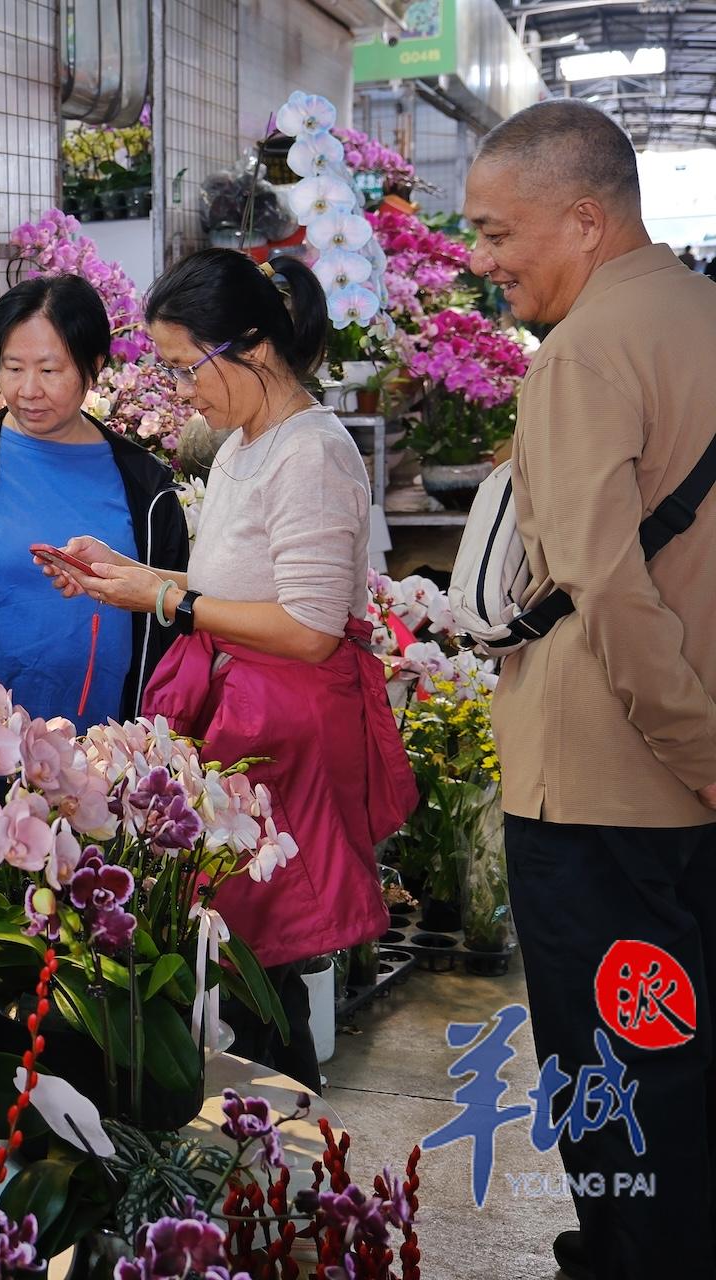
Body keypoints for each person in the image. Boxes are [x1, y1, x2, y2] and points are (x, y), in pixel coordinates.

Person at [40, 250, 414, 1090]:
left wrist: (164, 599)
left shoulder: (311, 452)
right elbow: (235, 587)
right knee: (240, 960)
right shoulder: (250, 441)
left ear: (253, 344)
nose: (181, 392)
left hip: (285, 730)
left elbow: (311, 630)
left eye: (186, 367)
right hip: (246, 718)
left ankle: (284, 1138)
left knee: (259, 965)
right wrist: (127, 576)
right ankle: (263, 1135)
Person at [464, 99, 716, 1280]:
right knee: (689, 1062)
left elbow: (607, 590)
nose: (483, 259)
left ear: (583, 219)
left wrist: (700, 749)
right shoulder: (700, 313)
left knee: (620, 1074)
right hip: (682, 790)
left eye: (495, 231)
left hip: (603, 787)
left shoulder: (580, 353)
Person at [0, 274, 189, 731]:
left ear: (94, 365)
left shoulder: (145, 484)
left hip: (116, 743)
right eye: (13, 368)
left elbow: (175, 619)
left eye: (50, 371)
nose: (29, 389)